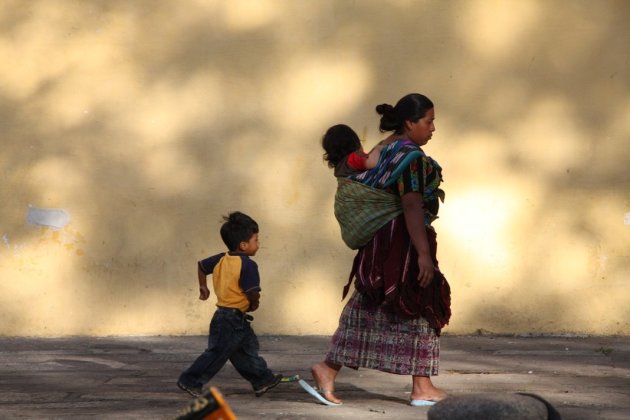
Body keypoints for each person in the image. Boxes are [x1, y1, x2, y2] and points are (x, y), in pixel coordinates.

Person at [312, 93, 451, 406]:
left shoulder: (386, 147)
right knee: (417, 302)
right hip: (399, 244)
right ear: (410, 123)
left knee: (382, 306)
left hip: (382, 243)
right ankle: (418, 386)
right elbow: (411, 204)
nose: (433, 128)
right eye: (428, 121)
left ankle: (419, 384)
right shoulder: (410, 157)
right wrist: (423, 255)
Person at [177, 211, 282, 398]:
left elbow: (201, 266)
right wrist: (254, 304)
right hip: (231, 319)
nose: (258, 244)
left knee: (246, 351)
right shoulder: (248, 265)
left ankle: (261, 379)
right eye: (256, 240)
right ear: (243, 245)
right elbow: (252, 292)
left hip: (229, 317)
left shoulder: (221, 258)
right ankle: (190, 380)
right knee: (217, 353)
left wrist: (203, 286)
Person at [321, 124, 389, 178]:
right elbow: (372, 163)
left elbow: (367, 157)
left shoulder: (340, 167)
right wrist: (377, 149)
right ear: (354, 142)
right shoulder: (352, 159)